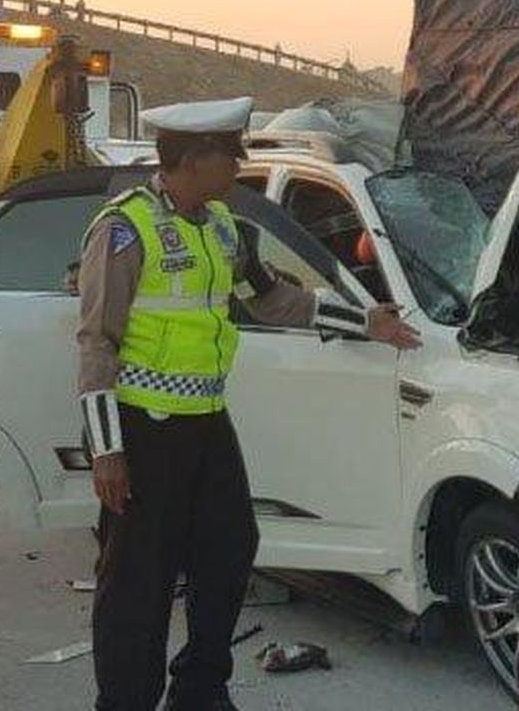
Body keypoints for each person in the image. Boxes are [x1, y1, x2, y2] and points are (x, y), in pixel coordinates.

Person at [78, 97, 420, 711]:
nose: (238, 167)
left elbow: (271, 300)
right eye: (229, 156)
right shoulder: (124, 228)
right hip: (143, 429)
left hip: (207, 424)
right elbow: (97, 341)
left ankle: (200, 690)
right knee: (138, 584)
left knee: (229, 551)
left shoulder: (220, 226)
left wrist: (366, 320)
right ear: (194, 158)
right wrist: (107, 451)